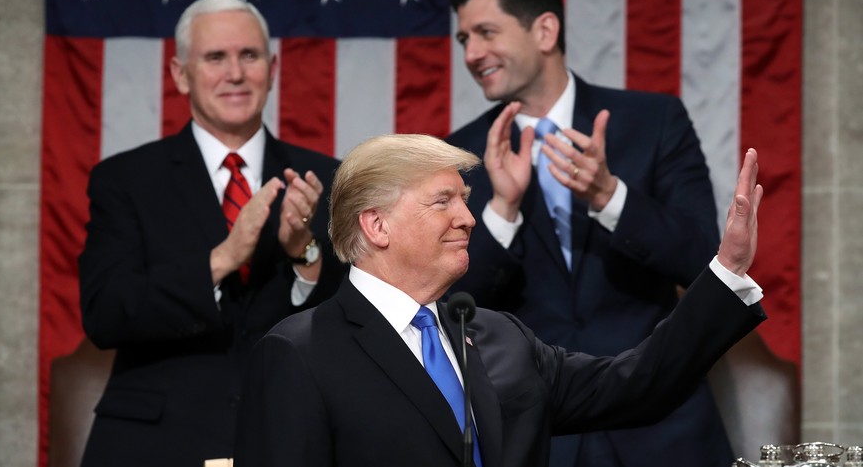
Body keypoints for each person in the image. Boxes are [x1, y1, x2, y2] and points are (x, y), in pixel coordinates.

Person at [233, 133, 766, 467]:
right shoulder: (300, 353)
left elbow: (637, 385)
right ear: (376, 225)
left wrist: (728, 271)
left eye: (464, 201)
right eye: (443, 202)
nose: (467, 218)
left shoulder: (498, 336)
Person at [445, 0, 730, 466]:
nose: (472, 52)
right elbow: (454, 307)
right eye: (464, 39)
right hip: (539, 429)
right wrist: (502, 211)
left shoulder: (654, 121)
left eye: (486, 32)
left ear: (545, 30)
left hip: (659, 423)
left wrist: (610, 197)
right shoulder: (461, 156)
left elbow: (706, 262)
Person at [77, 0, 346, 467]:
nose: (235, 73)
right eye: (215, 57)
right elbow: (106, 314)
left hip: (292, 437)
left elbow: (353, 323)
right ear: (181, 74)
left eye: (249, 55)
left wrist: (305, 254)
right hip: (157, 443)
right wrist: (224, 257)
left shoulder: (325, 178)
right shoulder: (125, 180)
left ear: (273, 67)